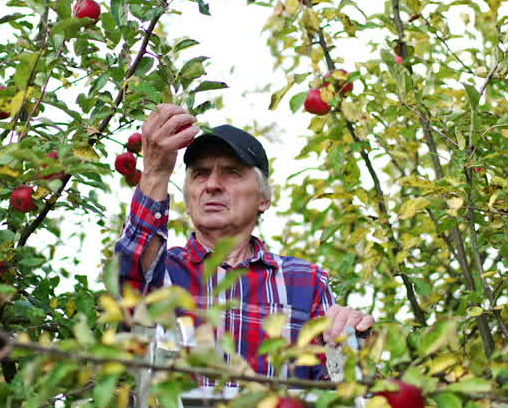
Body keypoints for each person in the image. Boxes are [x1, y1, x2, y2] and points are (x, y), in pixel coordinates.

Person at [114, 104, 375, 382]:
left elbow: (335, 394)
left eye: (232, 172)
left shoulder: (305, 282)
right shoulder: (164, 273)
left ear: (264, 198)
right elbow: (129, 281)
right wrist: (155, 173)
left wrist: (351, 345)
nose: (212, 184)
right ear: (188, 196)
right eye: (200, 173)